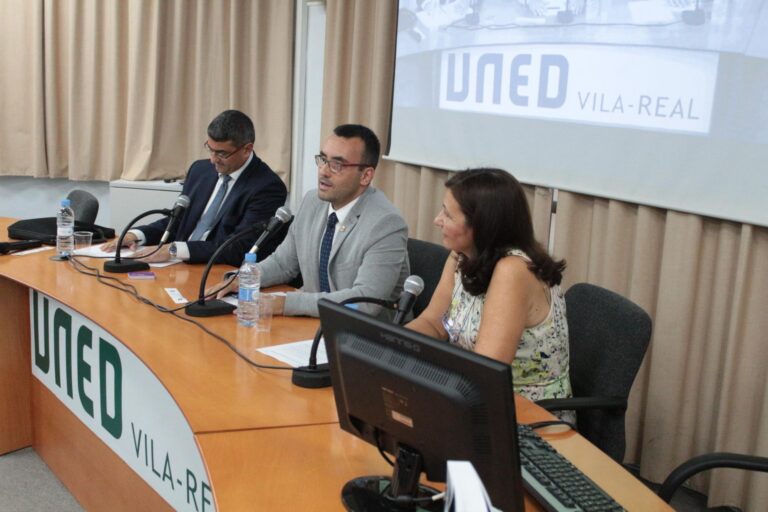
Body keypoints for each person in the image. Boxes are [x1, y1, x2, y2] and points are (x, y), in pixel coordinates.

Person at [406, 168, 572, 411]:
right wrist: (387, 349)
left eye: (448, 215)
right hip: (471, 400)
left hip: (526, 417)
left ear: (482, 225)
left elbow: (484, 371)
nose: (437, 219)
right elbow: (433, 323)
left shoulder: (514, 270)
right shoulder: (461, 256)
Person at [210, 124, 409, 318]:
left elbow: (365, 301)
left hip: (365, 336)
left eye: (337, 165)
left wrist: (284, 304)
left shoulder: (386, 224)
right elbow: (283, 263)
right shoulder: (312, 202)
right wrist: (242, 280)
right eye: (323, 159)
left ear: (366, 176)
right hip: (315, 324)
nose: (323, 171)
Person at [103, 110, 287, 267]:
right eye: (210, 149)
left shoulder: (266, 187)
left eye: (222, 153)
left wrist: (175, 250)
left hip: (214, 270)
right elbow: (178, 221)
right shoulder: (201, 170)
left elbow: (239, 247)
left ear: (247, 149)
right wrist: (137, 235)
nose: (213, 159)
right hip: (176, 266)